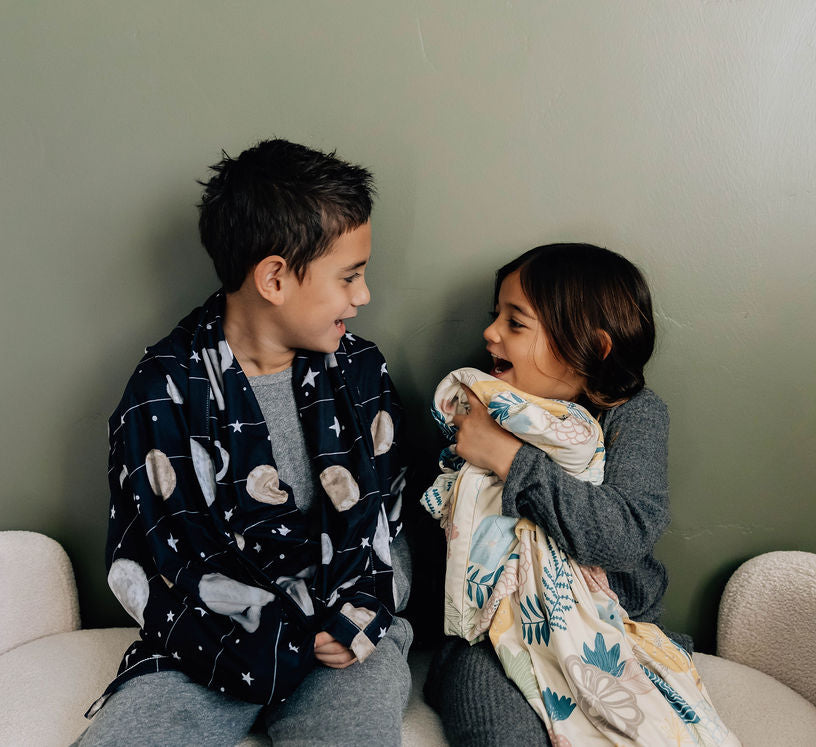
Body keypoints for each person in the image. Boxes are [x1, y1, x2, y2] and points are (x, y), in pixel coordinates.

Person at [74, 139, 413, 747]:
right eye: (350, 277)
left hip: (341, 638)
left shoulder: (360, 375)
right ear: (274, 279)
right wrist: (258, 636)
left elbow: (388, 531)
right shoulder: (162, 391)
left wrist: (360, 615)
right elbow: (157, 556)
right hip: (204, 646)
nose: (363, 296)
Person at [424, 243, 690, 745]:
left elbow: (623, 536)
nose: (490, 332)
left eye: (515, 322)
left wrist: (509, 458)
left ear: (592, 347)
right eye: (494, 315)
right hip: (492, 635)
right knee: (494, 725)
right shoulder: (482, 402)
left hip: (613, 629)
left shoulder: (633, 415)